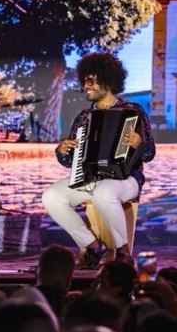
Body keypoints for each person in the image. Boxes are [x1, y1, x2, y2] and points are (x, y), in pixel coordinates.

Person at [41, 52, 155, 269]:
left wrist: (138, 143)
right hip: (90, 178)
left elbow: (149, 154)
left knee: (104, 191)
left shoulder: (133, 111)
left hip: (126, 179)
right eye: (84, 80)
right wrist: (62, 150)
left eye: (91, 80)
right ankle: (92, 246)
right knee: (51, 196)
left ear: (108, 81)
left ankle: (123, 252)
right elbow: (69, 163)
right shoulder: (84, 118)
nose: (86, 85)